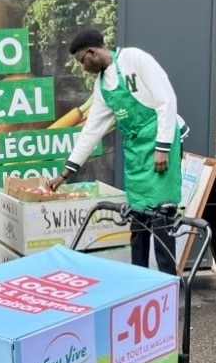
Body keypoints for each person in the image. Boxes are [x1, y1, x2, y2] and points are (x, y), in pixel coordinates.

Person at [49, 29, 185, 275]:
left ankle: (167, 285)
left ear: (92, 52)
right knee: (138, 221)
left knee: (161, 220)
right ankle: (138, 280)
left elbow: (166, 99)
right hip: (136, 154)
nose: (83, 67)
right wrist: (66, 173)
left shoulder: (135, 59)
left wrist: (162, 147)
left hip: (158, 147)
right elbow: (92, 130)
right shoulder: (101, 86)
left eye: (82, 61)